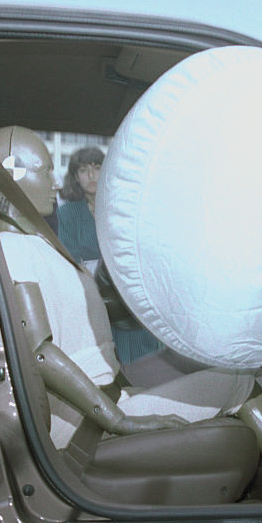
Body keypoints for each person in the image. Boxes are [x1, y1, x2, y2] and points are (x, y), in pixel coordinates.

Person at [0, 125, 262, 501]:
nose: (55, 182)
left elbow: (88, 314)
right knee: (237, 381)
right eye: (47, 170)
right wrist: (119, 420)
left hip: (103, 402)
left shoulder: (34, 247)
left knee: (242, 370)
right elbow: (39, 352)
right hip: (90, 424)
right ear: (11, 174)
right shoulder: (15, 251)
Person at [57, 146, 160, 364]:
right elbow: (69, 259)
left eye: (97, 168)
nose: (92, 176)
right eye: (84, 171)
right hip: (91, 298)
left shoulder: (123, 207)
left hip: (130, 297)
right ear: (76, 177)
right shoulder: (67, 213)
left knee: (146, 360)